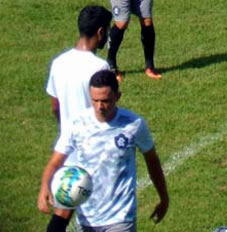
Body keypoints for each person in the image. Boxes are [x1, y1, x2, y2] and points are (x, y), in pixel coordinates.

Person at [37, 70, 169, 232]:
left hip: (121, 218)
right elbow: (56, 161)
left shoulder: (133, 124)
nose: (100, 106)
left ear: (117, 96)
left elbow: (152, 160)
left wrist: (164, 197)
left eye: (105, 101)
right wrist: (45, 186)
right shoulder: (77, 124)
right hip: (87, 218)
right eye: (95, 100)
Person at [44, 5, 112, 232]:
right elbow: (106, 109)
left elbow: (55, 105)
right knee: (98, 218)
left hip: (68, 149)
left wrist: (65, 131)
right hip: (95, 153)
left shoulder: (59, 62)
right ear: (101, 32)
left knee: (63, 211)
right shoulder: (100, 67)